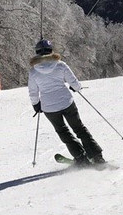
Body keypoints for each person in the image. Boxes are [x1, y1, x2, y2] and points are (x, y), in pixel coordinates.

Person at [28, 38, 104, 166]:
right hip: (66, 103)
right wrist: (76, 88)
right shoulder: (60, 65)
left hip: (49, 108)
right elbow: (74, 83)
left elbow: (33, 92)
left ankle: (80, 157)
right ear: (51, 50)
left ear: (37, 52)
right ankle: (97, 156)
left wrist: (36, 105)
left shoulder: (33, 72)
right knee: (79, 128)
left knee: (63, 131)